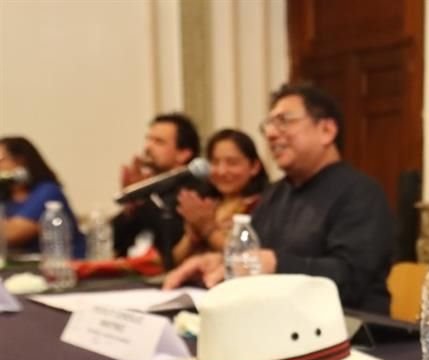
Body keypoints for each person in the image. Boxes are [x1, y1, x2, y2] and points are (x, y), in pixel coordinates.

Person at [164, 84, 394, 313]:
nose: (271, 134)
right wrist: (222, 263)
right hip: (276, 321)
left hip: (348, 328)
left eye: (284, 121)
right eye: (269, 125)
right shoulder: (275, 193)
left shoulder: (360, 193)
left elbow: (352, 279)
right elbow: (254, 256)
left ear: (326, 131)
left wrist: (275, 264)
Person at [112, 112, 201, 264]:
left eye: (159, 142)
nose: (148, 147)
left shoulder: (194, 191)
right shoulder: (152, 188)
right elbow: (118, 245)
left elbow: (168, 243)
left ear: (183, 154)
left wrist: (145, 199)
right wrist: (131, 204)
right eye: (148, 139)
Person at [172, 128, 269, 265]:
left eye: (232, 163)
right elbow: (175, 261)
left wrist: (208, 230)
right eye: (215, 162)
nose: (222, 171)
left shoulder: (263, 205)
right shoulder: (209, 203)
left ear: (254, 167)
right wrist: (192, 235)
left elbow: (245, 257)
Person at [0, 136, 85, 258]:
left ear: (20, 161)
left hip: (64, 264)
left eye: (1, 160)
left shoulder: (47, 191)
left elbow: (11, 234)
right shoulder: (5, 198)